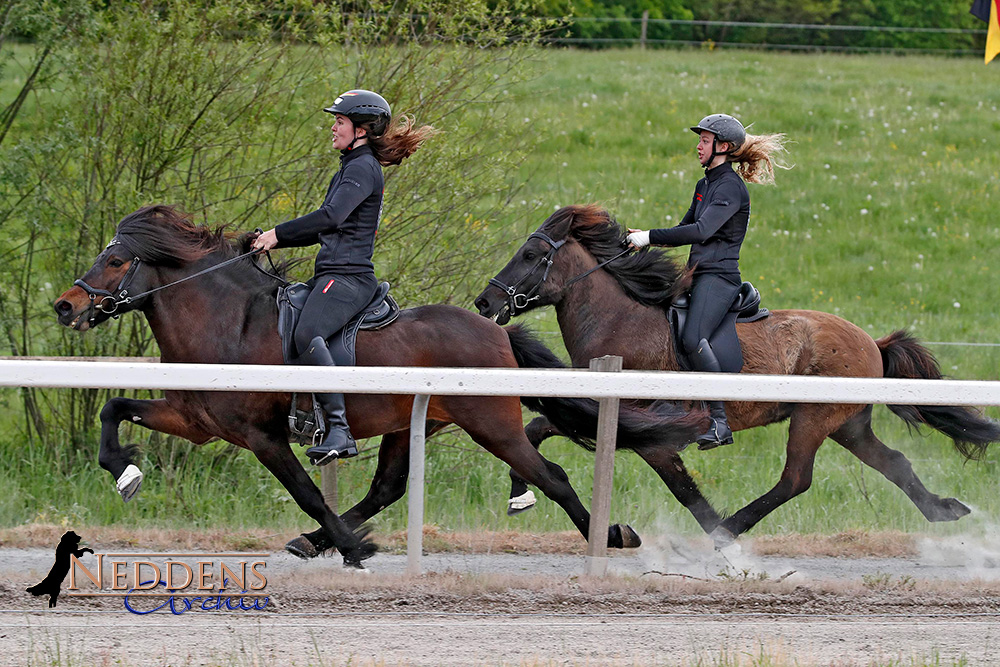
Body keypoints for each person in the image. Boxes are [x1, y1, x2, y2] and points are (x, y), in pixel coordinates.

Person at [253, 89, 436, 466]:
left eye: (339, 122)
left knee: (306, 333)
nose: (332, 128)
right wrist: (272, 241)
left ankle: (338, 430)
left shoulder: (361, 167)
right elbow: (325, 227)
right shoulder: (353, 164)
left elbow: (330, 217)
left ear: (362, 129)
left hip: (348, 278)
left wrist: (278, 233)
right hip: (334, 274)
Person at [627, 114, 788, 449]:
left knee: (693, 336)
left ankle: (718, 421)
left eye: (704, 140)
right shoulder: (705, 185)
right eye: (699, 140)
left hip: (720, 278)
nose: (698, 146)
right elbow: (684, 228)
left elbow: (702, 232)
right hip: (697, 275)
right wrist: (640, 241)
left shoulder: (730, 187)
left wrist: (648, 236)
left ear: (723, 146)